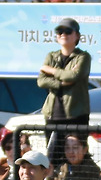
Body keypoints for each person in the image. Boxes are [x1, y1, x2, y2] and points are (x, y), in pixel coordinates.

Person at [37, 17, 91, 166]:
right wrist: (62, 83)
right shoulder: (51, 56)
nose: (63, 34)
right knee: (53, 160)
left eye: (68, 31)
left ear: (77, 36)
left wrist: (51, 70)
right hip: (53, 115)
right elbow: (41, 81)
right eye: (59, 31)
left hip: (76, 115)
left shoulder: (83, 57)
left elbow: (74, 76)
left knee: (76, 159)